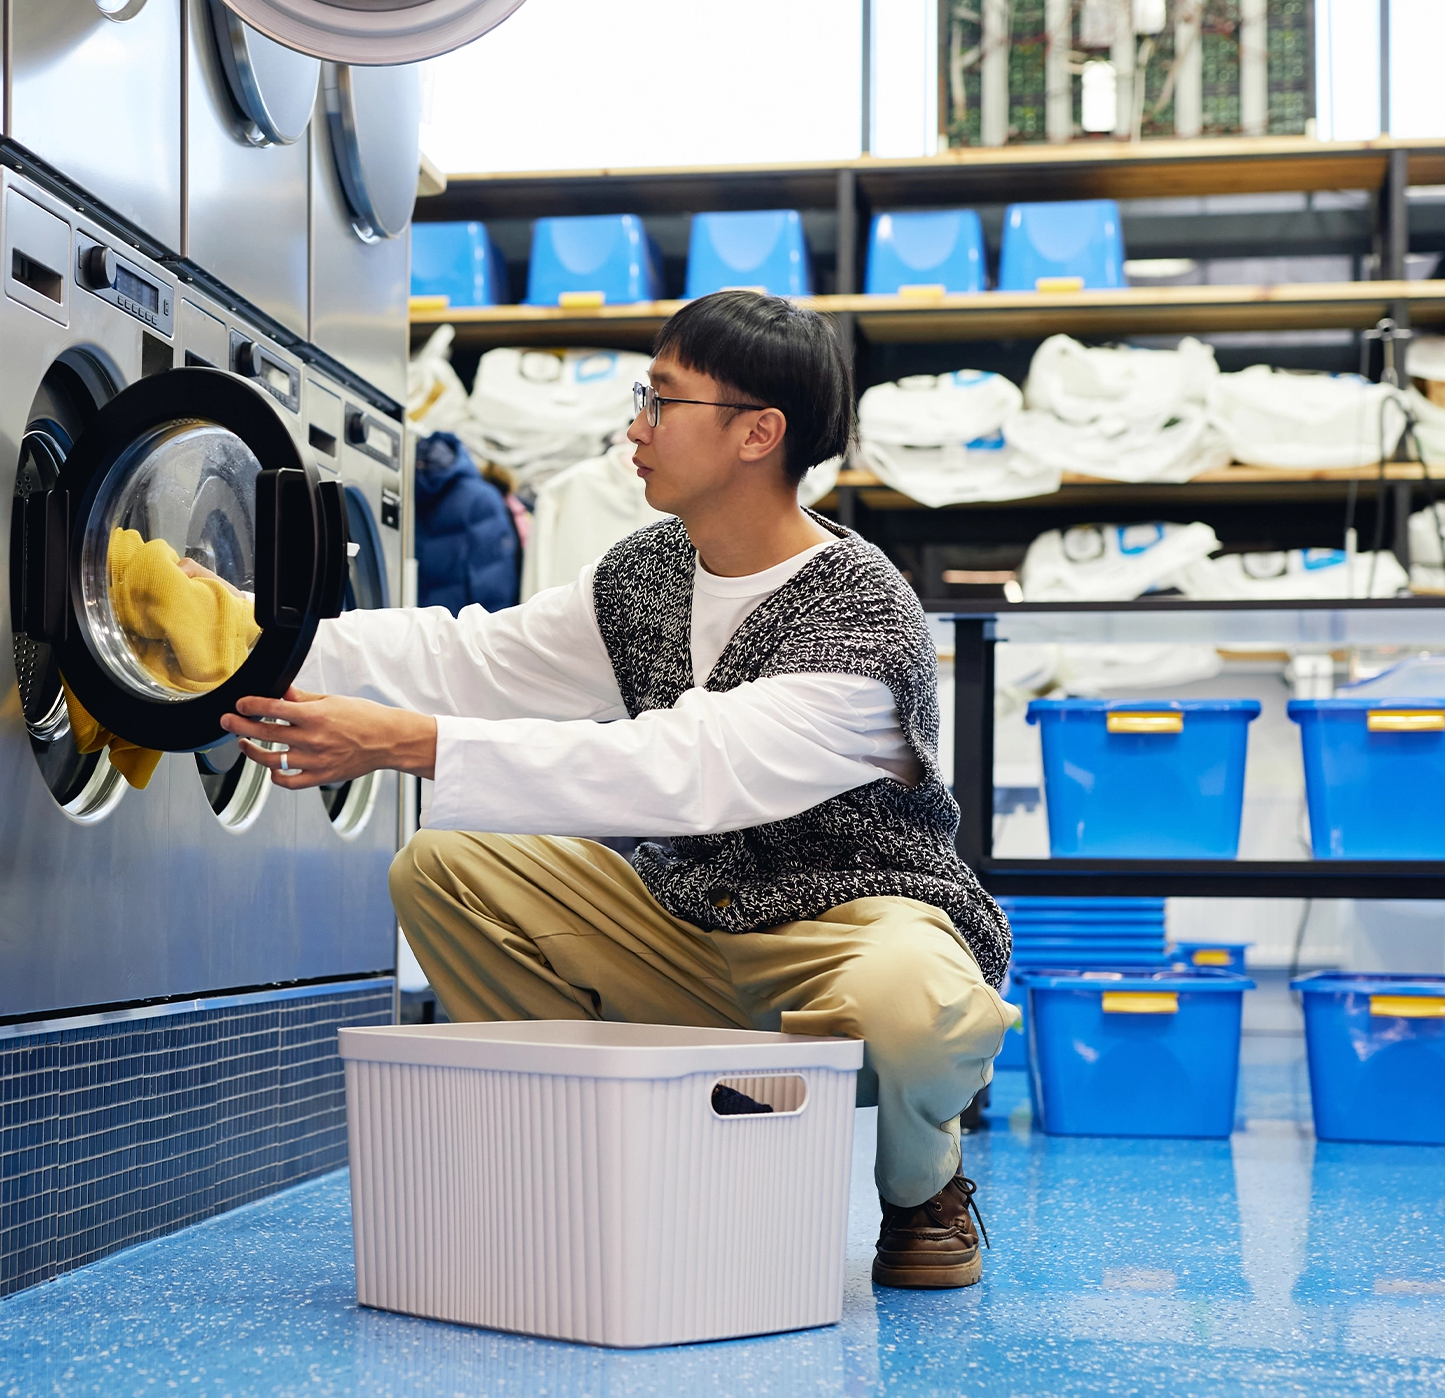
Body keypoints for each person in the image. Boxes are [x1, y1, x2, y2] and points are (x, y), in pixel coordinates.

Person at [219, 290, 1018, 1289]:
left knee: (914, 999)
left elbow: (685, 772)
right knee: (447, 868)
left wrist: (407, 744)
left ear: (757, 434)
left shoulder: (860, 612)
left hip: (847, 933)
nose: (633, 429)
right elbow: (473, 658)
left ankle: (922, 1187)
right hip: (688, 921)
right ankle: (598, 1151)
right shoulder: (651, 574)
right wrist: (240, 632)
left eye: (662, 402)